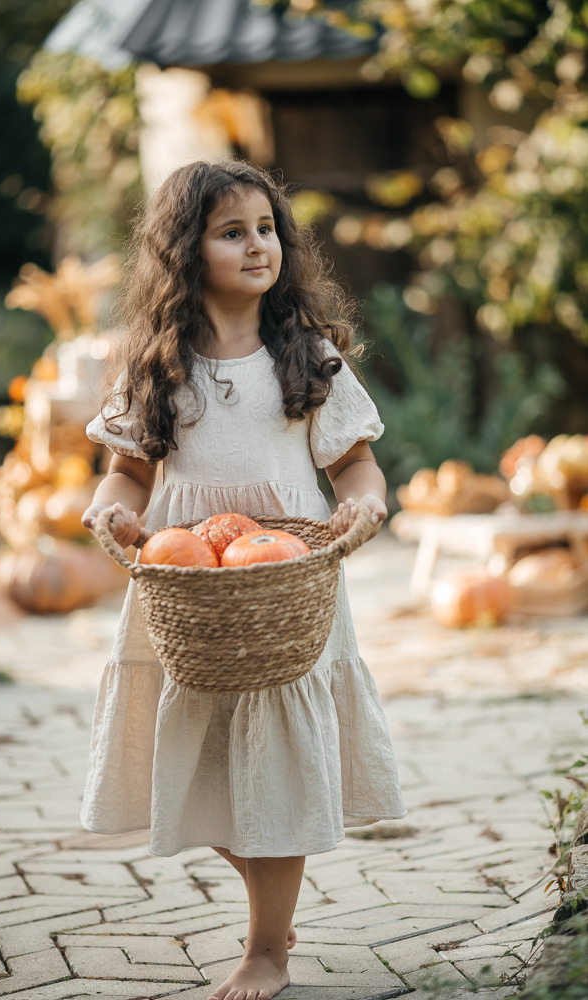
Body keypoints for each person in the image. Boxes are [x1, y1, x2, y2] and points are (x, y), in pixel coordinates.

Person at [80, 159, 405, 1000]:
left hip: (284, 589)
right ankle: (271, 900)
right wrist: (109, 510)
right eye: (232, 232)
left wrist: (362, 510)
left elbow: (360, 467)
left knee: (279, 766)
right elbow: (126, 476)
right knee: (191, 769)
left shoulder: (309, 359)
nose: (257, 245)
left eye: (266, 229)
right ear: (187, 253)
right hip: (185, 591)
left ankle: (266, 946)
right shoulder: (156, 367)